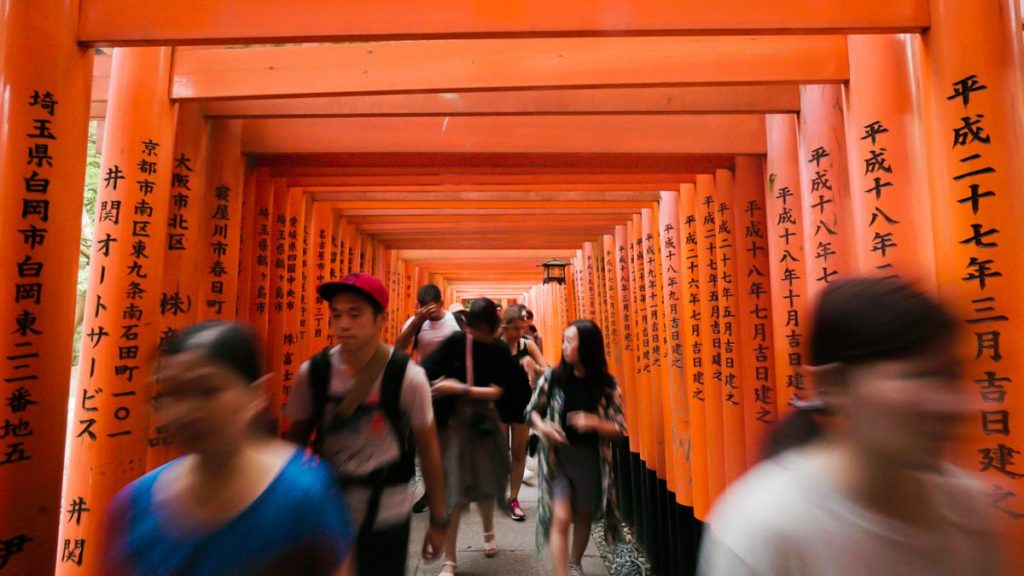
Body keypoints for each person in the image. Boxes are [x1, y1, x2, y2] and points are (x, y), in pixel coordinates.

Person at [698, 277, 998, 576]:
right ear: (833, 384)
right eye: (918, 376)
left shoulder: (968, 509)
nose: (949, 403)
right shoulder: (763, 527)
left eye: (952, 376)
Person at [106, 322, 354, 576]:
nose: (185, 411)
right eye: (172, 392)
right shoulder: (135, 505)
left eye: (207, 390)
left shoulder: (302, 495)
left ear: (256, 394)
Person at [284, 273, 448, 576]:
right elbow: (293, 444)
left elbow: (429, 451)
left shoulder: (407, 377)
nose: (343, 324)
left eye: (355, 314)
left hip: (387, 510)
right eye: (336, 314)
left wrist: (439, 521)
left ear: (380, 318)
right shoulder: (315, 373)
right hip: (326, 510)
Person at [419, 298, 522, 576]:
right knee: (452, 490)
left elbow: (499, 391)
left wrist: (458, 388)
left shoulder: (499, 349)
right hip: (455, 426)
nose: (476, 335)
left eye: (481, 329)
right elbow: (426, 368)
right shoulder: (456, 342)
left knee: (488, 484)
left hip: (486, 424)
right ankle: (449, 561)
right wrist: (436, 387)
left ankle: (488, 530)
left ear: (492, 327)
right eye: (473, 328)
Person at [527, 319, 626, 576]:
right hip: (558, 459)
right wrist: (544, 427)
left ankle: (575, 562)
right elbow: (532, 412)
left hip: (591, 460)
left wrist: (593, 422)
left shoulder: (607, 385)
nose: (564, 346)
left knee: (583, 516)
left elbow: (619, 428)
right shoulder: (553, 378)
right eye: (564, 340)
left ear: (589, 347)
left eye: (570, 341)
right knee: (560, 517)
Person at [497, 305, 548, 521]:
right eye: (515, 328)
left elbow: (547, 368)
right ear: (505, 327)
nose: (519, 332)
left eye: (522, 328)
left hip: (521, 403)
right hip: (498, 404)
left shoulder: (527, 344)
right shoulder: (494, 346)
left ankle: (513, 498)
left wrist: (534, 368)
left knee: (519, 453)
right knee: (500, 451)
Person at [395, 284, 461, 360]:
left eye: (432, 309)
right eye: (425, 309)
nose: (429, 313)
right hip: (424, 371)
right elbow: (399, 348)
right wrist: (416, 323)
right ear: (419, 306)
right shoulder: (415, 322)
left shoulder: (457, 320)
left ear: (441, 303)